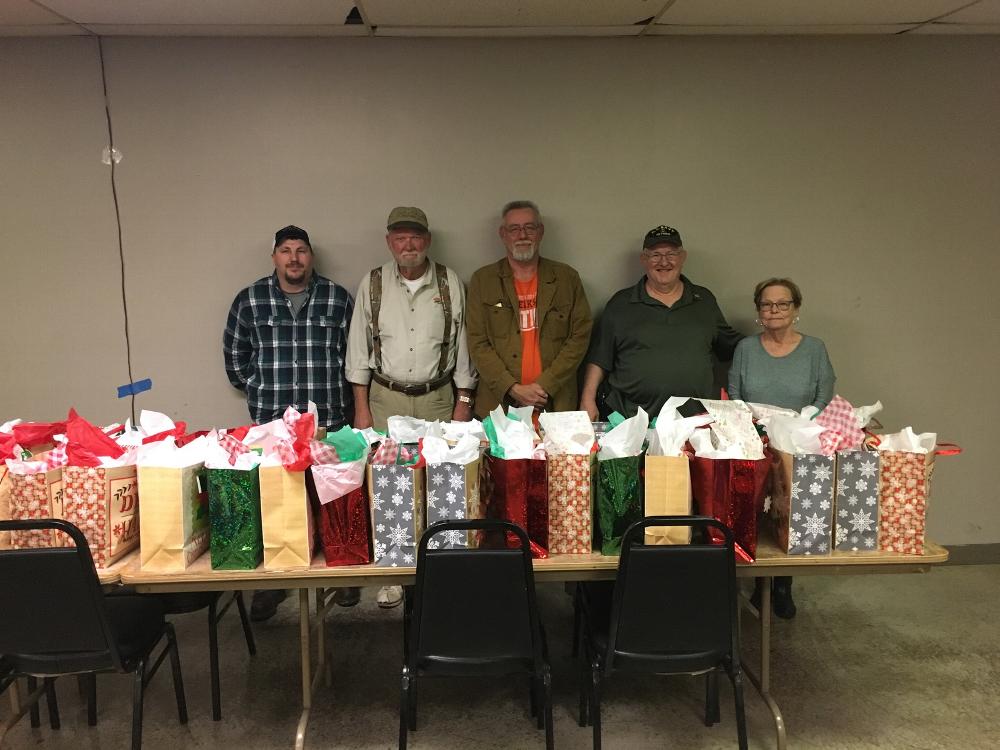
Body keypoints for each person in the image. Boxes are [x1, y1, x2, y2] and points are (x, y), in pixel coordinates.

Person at [223, 224, 357, 621]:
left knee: (331, 497)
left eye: (301, 250)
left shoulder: (337, 298)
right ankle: (274, 583)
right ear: (274, 257)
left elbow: (355, 355)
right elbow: (235, 356)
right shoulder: (250, 300)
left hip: (327, 416)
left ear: (310, 257)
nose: (294, 258)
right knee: (277, 502)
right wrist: (256, 387)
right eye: (286, 250)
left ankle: (342, 575)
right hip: (273, 421)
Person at [346, 206, 477, 608]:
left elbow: (464, 346)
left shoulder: (449, 281)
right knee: (389, 490)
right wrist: (362, 409)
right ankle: (393, 575)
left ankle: (442, 572)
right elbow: (358, 350)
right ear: (389, 242)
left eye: (415, 237)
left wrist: (463, 404)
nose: (408, 245)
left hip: (438, 397)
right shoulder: (372, 284)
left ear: (428, 240)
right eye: (400, 237)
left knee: (443, 486)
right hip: (386, 398)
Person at [728, 277, 836, 619]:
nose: (774, 310)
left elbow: (825, 394)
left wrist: (803, 420)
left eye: (782, 303)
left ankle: (783, 583)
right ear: (758, 310)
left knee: (790, 512)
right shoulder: (746, 349)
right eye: (766, 304)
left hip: (799, 441)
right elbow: (734, 393)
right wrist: (753, 423)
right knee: (756, 511)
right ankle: (760, 581)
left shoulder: (814, 349)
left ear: (796, 308)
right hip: (755, 439)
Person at [580, 224, 742, 420]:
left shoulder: (704, 300)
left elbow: (732, 346)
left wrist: (770, 339)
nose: (664, 262)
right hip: (631, 419)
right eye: (655, 255)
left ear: (682, 257)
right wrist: (587, 399)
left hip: (692, 420)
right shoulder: (620, 303)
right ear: (644, 259)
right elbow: (600, 358)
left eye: (671, 254)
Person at [466, 200, 592, 419]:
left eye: (529, 227)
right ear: (503, 234)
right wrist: (512, 388)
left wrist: (546, 385)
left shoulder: (567, 278)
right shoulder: (483, 280)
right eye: (514, 229)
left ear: (540, 232)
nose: (522, 235)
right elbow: (477, 343)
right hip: (499, 406)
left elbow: (579, 337)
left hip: (555, 403)